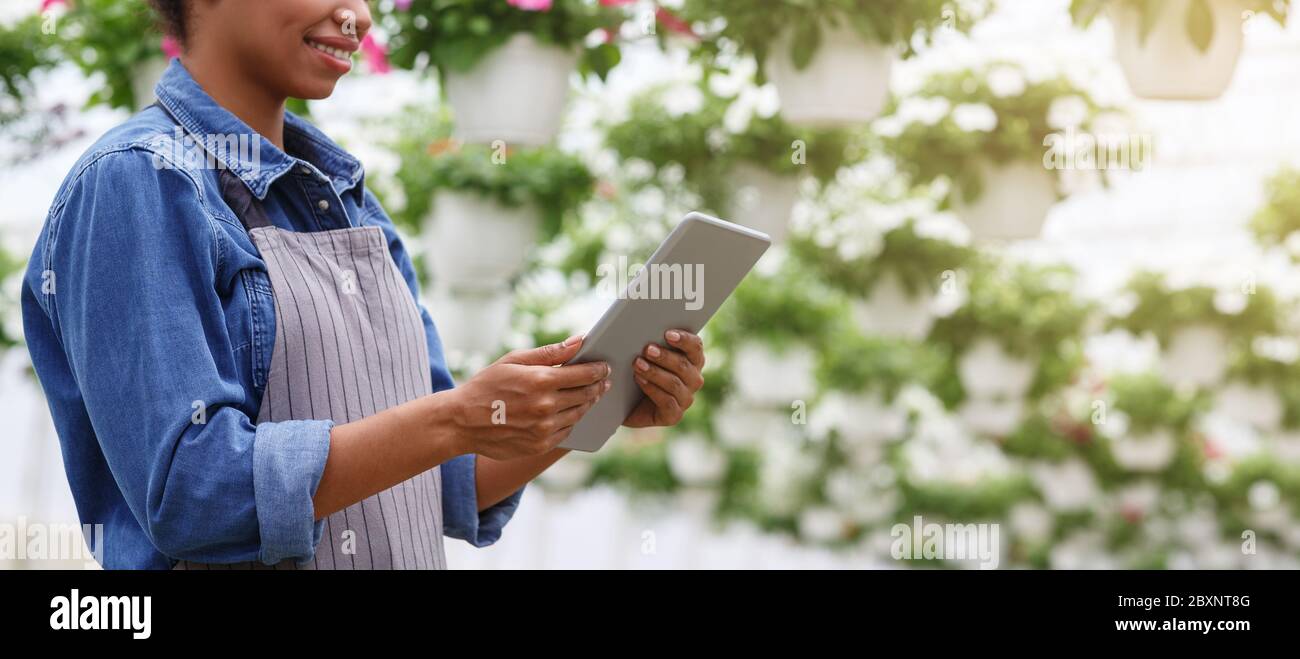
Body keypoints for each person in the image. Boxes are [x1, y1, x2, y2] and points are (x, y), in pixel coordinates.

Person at [21, 0, 706, 569]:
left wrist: (591, 404)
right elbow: (192, 493)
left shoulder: (347, 202)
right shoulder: (136, 181)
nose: (359, 15)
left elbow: (437, 481)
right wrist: (455, 415)